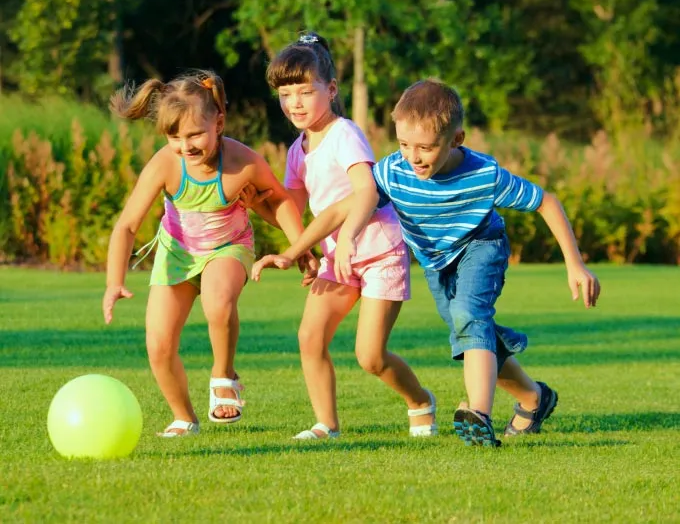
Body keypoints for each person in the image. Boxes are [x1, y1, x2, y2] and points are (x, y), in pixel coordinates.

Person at [253, 78, 601, 447]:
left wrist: (575, 264)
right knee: (472, 332)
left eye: (425, 147)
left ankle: (478, 415)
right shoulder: (395, 171)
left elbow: (546, 201)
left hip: (481, 246)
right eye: (404, 145)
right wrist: (294, 251)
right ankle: (533, 397)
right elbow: (344, 207)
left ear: (456, 139)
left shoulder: (484, 175)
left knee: (469, 315)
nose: (414, 157)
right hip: (436, 262)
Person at [103, 70, 309, 437]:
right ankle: (184, 416)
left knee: (218, 302)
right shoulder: (166, 164)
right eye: (174, 137)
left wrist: (300, 248)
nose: (186, 146)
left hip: (229, 248)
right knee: (159, 345)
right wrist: (114, 282)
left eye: (195, 134)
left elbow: (279, 201)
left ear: (219, 122)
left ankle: (223, 373)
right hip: (177, 254)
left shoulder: (241, 162)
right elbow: (127, 226)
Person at [253, 33, 437, 440]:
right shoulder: (297, 150)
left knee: (370, 357)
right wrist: (254, 206)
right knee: (310, 336)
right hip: (338, 256)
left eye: (305, 91)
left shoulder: (344, 133)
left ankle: (420, 400)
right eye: (286, 94)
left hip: (378, 250)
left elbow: (367, 191)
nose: (295, 103)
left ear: (331, 90)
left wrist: (348, 237)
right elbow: (292, 211)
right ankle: (326, 424)